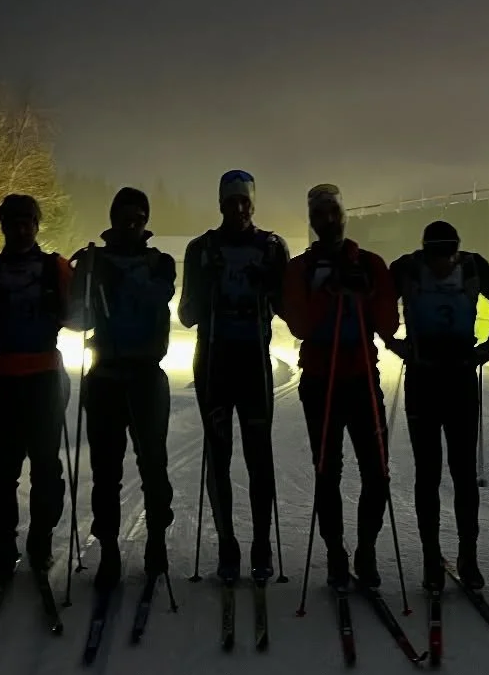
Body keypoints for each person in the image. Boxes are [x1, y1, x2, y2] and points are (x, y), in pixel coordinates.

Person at [281, 183, 398, 591]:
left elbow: (388, 324)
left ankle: (366, 551)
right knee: (327, 471)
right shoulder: (300, 268)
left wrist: (365, 291)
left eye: (334, 212)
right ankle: (335, 554)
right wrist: (331, 295)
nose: (328, 220)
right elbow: (299, 324)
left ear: (344, 215)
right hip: (320, 377)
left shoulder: (369, 262)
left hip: (362, 376)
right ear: (312, 221)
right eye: (320, 214)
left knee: (377, 473)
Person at [178, 170, 291, 583]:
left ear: (253, 203)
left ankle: (261, 545)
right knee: (219, 457)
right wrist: (206, 285)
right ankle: (228, 546)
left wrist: (272, 287)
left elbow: (290, 312)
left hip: (253, 365)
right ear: (221, 203)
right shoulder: (200, 249)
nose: (239, 207)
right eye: (231, 200)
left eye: (245, 200)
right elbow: (187, 315)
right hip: (214, 363)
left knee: (259, 458)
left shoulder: (273, 247)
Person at [386, 221, 489, 592]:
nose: (443, 263)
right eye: (436, 256)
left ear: (457, 250)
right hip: (423, 378)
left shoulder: (473, 266)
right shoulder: (408, 267)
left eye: (449, 255)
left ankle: (467, 556)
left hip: (458, 376)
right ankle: (431, 558)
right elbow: (374, 306)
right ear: (425, 251)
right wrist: (394, 343)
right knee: (428, 474)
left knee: (462, 472)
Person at [69, 187, 177, 592]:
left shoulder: (160, 262)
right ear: (114, 218)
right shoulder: (95, 261)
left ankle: (156, 540)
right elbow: (77, 319)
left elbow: (158, 295)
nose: (132, 223)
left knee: (154, 466)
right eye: (125, 216)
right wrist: (84, 277)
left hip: (146, 373)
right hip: (107, 374)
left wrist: (113, 279)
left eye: (139, 217)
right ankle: (110, 549)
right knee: (106, 472)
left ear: (146, 221)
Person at [0, 194, 74, 585]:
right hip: (7, 376)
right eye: (14, 221)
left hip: (43, 376)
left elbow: (79, 316)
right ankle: (3, 546)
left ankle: (40, 540)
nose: (21, 228)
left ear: (36, 224)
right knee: (2, 472)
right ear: (3, 225)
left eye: (27, 221)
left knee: (46, 468)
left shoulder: (55, 268)